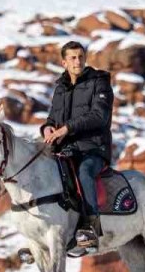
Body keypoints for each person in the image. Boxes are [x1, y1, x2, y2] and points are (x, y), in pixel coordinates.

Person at [40, 40, 114, 251]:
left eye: (80, 56)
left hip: (93, 148)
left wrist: (66, 129)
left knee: (84, 172)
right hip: (65, 150)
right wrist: (47, 128)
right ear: (64, 62)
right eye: (72, 57)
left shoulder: (99, 82)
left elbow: (100, 115)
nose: (77, 61)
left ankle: (91, 229)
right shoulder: (60, 89)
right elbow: (52, 118)